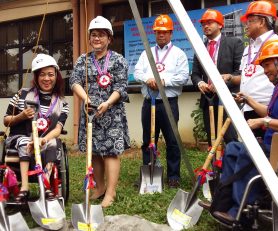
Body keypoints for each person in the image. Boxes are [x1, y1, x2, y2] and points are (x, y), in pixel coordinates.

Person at [212, 39, 278, 224]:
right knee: (233, 148)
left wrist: (265, 122)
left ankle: (241, 213)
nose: (265, 70)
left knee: (247, 152)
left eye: (267, 65)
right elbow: (270, 112)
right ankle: (225, 203)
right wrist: (249, 100)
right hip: (271, 145)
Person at [70, 16, 130, 207]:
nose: (97, 39)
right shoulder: (83, 60)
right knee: (94, 151)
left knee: (111, 152)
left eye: (101, 35)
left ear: (109, 39)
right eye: (93, 35)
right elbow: (74, 81)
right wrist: (86, 99)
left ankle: (111, 193)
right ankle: (100, 188)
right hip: (90, 114)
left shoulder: (118, 60)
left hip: (111, 113)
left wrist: (107, 103)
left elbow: (121, 87)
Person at [4, 53, 69, 203]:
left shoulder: (62, 103)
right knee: (25, 141)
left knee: (54, 143)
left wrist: (42, 140)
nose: (47, 78)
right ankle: (24, 188)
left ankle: (45, 186)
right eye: (42, 75)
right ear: (36, 76)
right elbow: (6, 120)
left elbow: (58, 130)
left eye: (51, 74)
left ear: (56, 76)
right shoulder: (22, 94)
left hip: (44, 139)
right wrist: (21, 116)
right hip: (19, 137)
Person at [134, 14, 189, 188]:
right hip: (149, 102)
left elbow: (183, 77)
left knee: (172, 140)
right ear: (155, 33)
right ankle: (149, 172)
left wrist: (164, 82)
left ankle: (174, 176)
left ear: (171, 33)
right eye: (158, 32)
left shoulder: (179, 54)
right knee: (148, 140)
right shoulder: (146, 52)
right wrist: (148, 79)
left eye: (165, 32)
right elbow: (136, 72)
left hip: (168, 103)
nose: (161, 35)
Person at [228, 0, 278, 139]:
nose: (245, 25)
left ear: (261, 21)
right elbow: (245, 76)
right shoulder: (248, 48)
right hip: (248, 107)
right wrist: (230, 77)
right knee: (251, 154)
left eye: (249, 21)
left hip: (267, 109)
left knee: (267, 153)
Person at [191, 9, 244, 146]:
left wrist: (225, 80)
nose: (206, 26)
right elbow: (195, 74)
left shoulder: (234, 43)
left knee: (231, 141)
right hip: (208, 99)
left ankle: (232, 167)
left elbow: (240, 73)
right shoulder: (200, 48)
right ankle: (215, 168)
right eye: (203, 24)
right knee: (212, 142)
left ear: (220, 25)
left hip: (228, 100)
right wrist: (200, 82)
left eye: (210, 22)